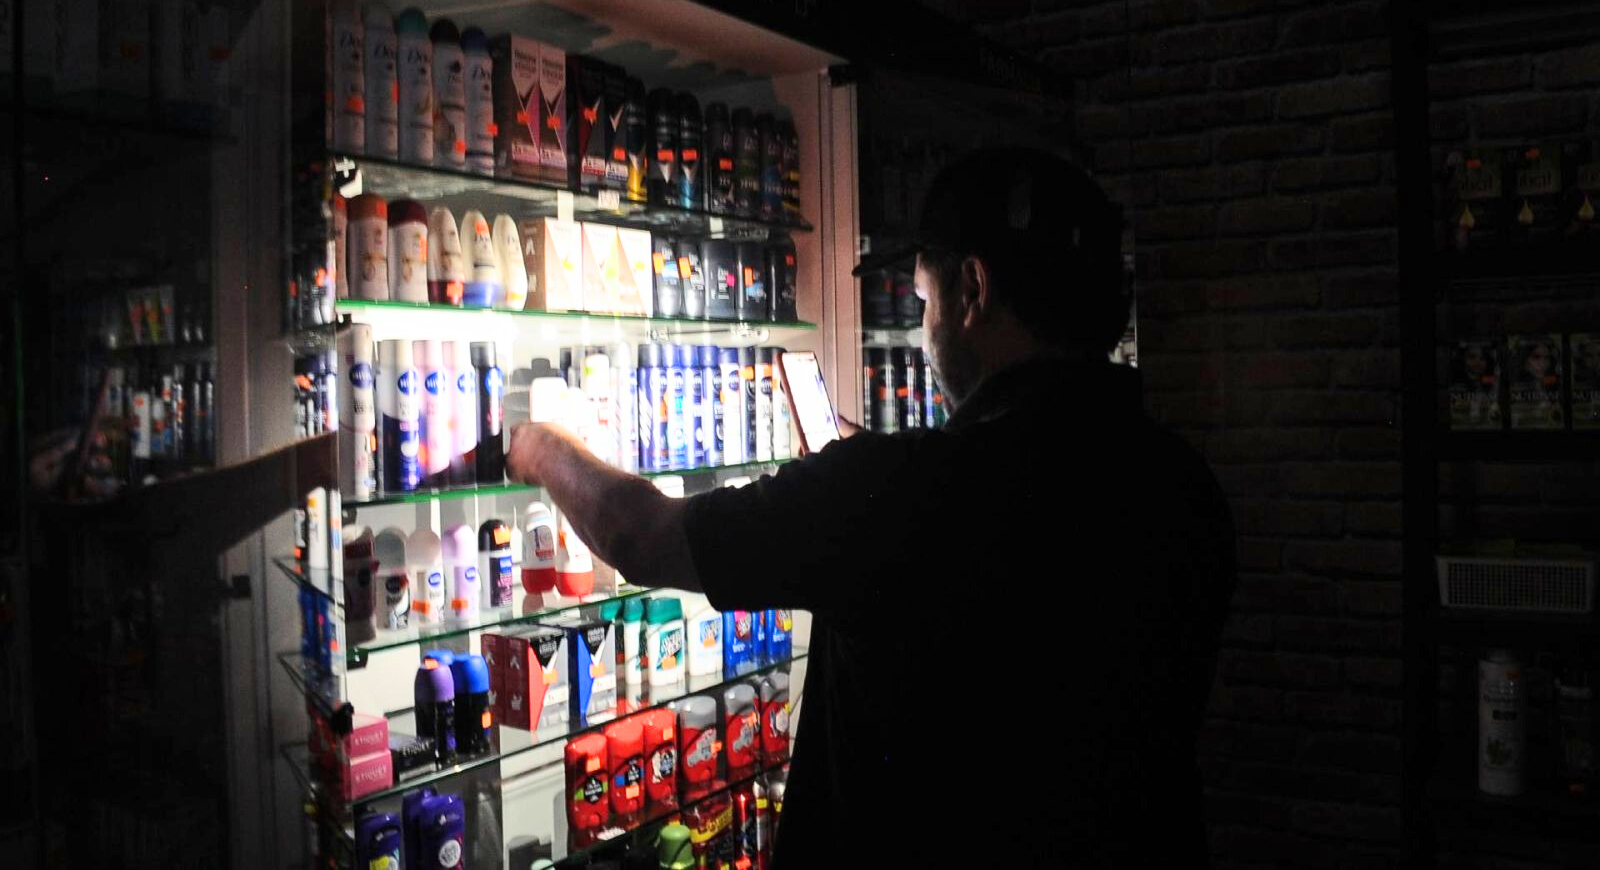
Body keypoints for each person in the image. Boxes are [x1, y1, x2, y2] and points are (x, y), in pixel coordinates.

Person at [506, 147, 1236, 866]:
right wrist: (860, 467)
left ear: (973, 290)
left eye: (923, 300)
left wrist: (538, 443)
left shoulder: (897, 494)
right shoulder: (1182, 484)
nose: (923, 327)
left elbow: (640, 536)